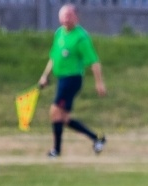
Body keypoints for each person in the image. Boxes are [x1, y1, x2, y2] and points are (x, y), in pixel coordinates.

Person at [38, 3, 107, 158]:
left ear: (77, 17)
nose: (66, 18)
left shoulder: (81, 37)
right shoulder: (59, 34)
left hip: (72, 79)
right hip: (61, 78)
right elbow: (53, 58)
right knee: (63, 118)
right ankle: (97, 139)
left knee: (54, 112)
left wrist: (99, 83)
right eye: (64, 15)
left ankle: (56, 151)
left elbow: (93, 61)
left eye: (69, 15)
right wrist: (45, 76)